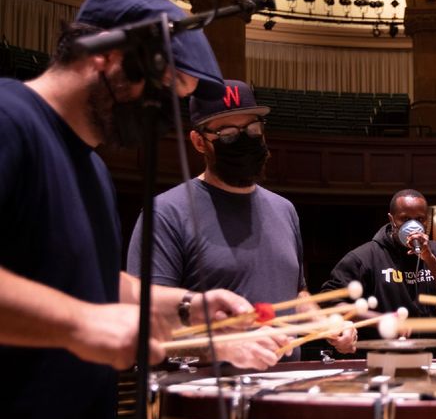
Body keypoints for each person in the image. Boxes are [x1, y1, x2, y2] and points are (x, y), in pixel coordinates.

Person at [0, 0, 262, 419]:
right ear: (110, 57)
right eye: (164, 91)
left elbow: (84, 278)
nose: (162, 117)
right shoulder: (8, 120)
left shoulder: (92, 168)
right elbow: (79, 309)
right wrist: (78, 323)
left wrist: (185, 307)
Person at [127, 79, 356, 365]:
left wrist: (326, 324)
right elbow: (147, 321)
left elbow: (297, 294)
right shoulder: (166, 213)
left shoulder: (284, 210)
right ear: (199, 141)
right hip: (205, 398)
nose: (244, 140)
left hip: (285, 389)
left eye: (251, 129)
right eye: (227, 134)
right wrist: (224, 346)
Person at [321, 189, 436, 317]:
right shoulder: (364, 257)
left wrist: (430, 259)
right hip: (381, 347)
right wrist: (377, 320)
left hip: (432, 346)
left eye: (420, 219)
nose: (413, 225)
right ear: (391, 219)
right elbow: (330, 303)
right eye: (405, 219)